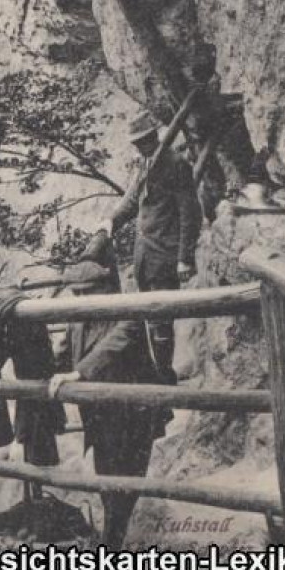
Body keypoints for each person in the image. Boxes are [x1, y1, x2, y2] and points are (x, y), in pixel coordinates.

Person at [47, 235, 171, 551]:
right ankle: (114, 542)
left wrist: (79, 372)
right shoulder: (77, 322)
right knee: (106, 478)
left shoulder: (126, 314)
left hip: (133, 416)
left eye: (86, 292)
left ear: (103, 289)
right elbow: (62, 356)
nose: (80, 298)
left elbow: (111, 347)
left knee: (127, 480)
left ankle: (114, 545)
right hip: (100, 418)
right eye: (76, 293)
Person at [102, 110, 202, 380]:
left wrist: (184, 257)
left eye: (144, 140)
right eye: (136, 142)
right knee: (148, 316)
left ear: (154, 136)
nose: (140, 145)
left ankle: (164, 375)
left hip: (165, 254)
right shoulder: (144, 164)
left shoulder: (175, 164)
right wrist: (110, 221)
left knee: (161, 318)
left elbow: (189, 213)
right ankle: (158, 371)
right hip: (144, 254)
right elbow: (133, 200)